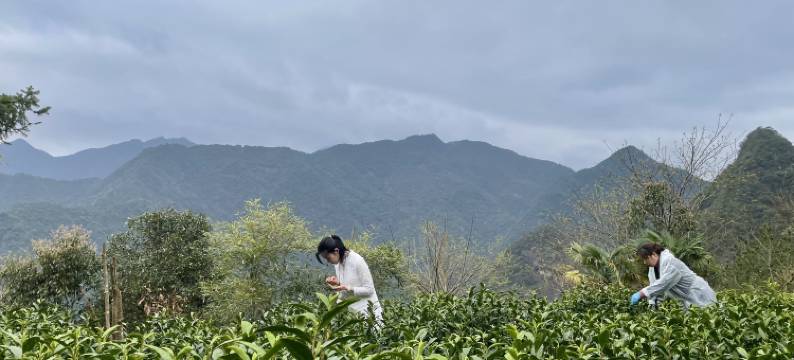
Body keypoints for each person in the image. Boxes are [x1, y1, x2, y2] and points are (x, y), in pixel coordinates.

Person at [316, 235, 383, 327]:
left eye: (328, 258)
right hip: (353, 315)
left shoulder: (357, 261)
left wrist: (349, 288)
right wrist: (337, 284)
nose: (328, 261)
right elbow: (347, 286)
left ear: (336, 251)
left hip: (369, 313)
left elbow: (369, 290)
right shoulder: (337, 264)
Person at [630, 243, 717, 309]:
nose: (645, 262)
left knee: (709, 315)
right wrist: (652, 306)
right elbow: (655, 289)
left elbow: (663, 284)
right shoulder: (652, 269)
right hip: (687, 299)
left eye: (646, 259)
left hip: (699, 293)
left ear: (653, 254)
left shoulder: (671, 262)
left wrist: (641, 293)